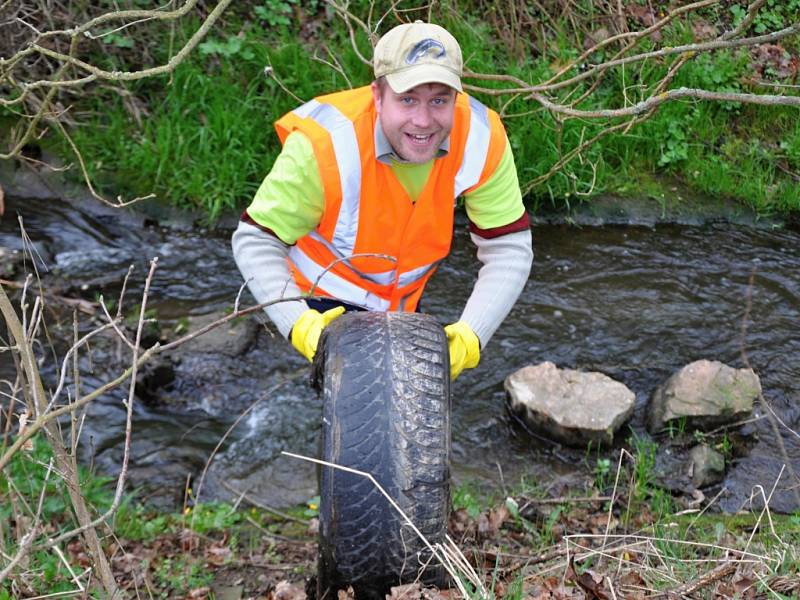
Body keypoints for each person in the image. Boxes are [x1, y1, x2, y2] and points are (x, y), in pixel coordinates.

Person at [232, 21, 532, 379]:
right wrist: (300, 325)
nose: (423, 121)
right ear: (377, 95)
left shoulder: (481, 137)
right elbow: (255, 240)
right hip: (321, 299)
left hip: (405, 304)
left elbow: (509, 247)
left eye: (439, 99)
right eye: (407, 99)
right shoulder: (325, 145)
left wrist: (472, 334)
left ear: (457, 96)